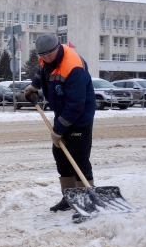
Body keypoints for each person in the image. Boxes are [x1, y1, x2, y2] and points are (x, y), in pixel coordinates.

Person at [24, 33, 96, 212]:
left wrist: (58, 130)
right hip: (62, 113)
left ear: (58, 48)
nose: (46, 59)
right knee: (61, 157)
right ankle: (70, 197)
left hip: (80, 117)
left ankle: (86, 200)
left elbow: (76, 106)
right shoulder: (46, 60)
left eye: (50, 55)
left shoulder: (73, 67)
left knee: (79, 158)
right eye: (43, 56)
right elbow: (41, 72)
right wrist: (35, 86)